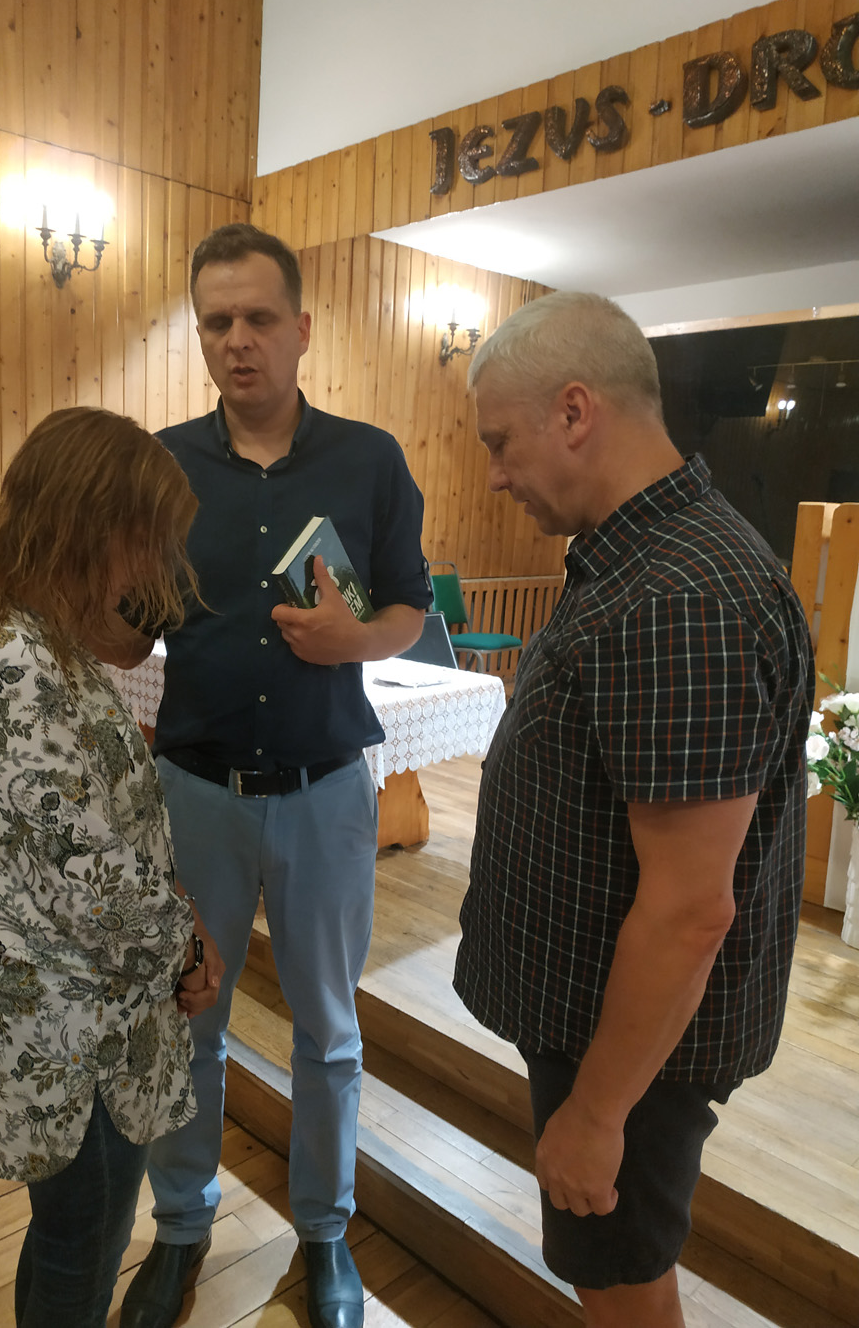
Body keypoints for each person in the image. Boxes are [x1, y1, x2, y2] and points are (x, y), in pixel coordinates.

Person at [452, 292, 814, 1328]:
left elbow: (690, 908)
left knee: (620, 1288)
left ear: (575, 411)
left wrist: (597, 1112)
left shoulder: (680, 597)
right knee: (610, 1273)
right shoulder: (638, 558)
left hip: (631, 1050)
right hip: (600, 1017)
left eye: (500, 442)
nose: (495, 474)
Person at [120, 224, 432, 1328]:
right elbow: (129, 617)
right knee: (187, 1022)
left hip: (326, 792)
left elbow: (410, 604)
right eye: (217, 322)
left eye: (258, 318)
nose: (238, 340)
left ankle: (325, 1233)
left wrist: (358, 641)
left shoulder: (370, 459)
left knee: (328, 1033)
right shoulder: (159, 466)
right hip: (196, 793)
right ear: (200, 334)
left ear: (302, 329)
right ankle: (182, 1228)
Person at [0, 407, 225, 1328]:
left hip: (80, 1019)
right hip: (75, 1031)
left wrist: (183, 926)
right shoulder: (11, 663)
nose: (155, 565)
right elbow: (92, 889)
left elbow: (95, 833)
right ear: (91, 524)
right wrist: (188, 950)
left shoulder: (23, 633)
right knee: (80, 1251)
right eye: (148, 540)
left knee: (68, 1238)